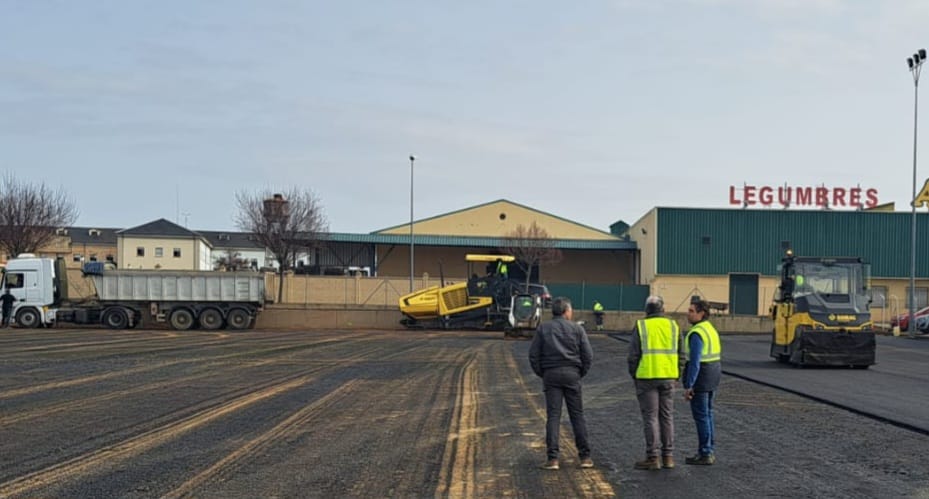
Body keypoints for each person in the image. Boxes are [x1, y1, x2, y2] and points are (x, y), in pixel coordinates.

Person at [529, 297, 594, 470]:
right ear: (566, 311)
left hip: (551, 375)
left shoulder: (543, 328)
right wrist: (579, 372)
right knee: (577, 415)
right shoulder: (577, 329)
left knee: (553, 416)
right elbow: (588, 355)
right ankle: (585, 457)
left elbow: (533, 355)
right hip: (572, 374)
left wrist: (543, 373)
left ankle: (553, 459)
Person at [627, 295, 685, 470]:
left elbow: (633, 356)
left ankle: (653, 457)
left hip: (646, 377)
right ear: (663, 309)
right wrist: (677, 374)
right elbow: (682, 354)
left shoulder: (641, 326)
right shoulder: (673, 326)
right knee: (667, 416)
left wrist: (635, 375)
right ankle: (668, 457)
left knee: (650, 417)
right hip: (668, 377)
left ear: (646, 310)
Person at [682, 297, 722, 466]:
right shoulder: (710, 329)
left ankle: (705, 452)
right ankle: (709, 449)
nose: (688, 314)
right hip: (713, 375)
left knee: (701, 416)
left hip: (702, 378)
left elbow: (695, 362)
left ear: (701, 313)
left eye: (692, 311)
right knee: (708, 414)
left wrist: (689, 385)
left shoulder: (697, 333)